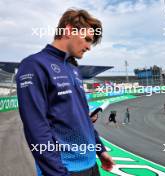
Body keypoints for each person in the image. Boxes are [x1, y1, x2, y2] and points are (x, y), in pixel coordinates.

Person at [16, 9, 114, 176]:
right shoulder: (33, 65)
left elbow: (84, 117)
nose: (89, 47)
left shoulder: (73, 68)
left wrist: (100, 150)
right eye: (88, 40)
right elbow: (36, 129)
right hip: (65, 169)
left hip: (92, 166)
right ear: (69, 30)